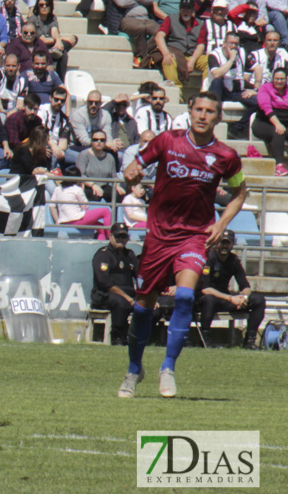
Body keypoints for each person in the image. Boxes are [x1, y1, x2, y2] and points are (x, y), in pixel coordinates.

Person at [118, 91, 247, 399]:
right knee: (142, 308)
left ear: (218, 117)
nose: (203, 115)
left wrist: (221, 223)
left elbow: (240, 193)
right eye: (198, 109)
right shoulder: (166, 141)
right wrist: (130, 172)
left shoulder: (226, 156)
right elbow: (134, 166)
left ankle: (168, 368)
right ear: (190, 110)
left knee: (186, 296)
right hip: (158, 236)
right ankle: (134, 369)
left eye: (210, 111)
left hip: (194, 235)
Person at [196, 230, 265, 349]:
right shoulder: (209, 258)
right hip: (206, 300)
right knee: (209, 299)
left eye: (228, 243)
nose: (225, 246)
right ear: (217, 243)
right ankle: (205, 341)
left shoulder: (233, 260)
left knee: (258, 299)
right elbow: (205, 289)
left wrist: (244, 298)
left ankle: (249, 341)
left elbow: (245, 285)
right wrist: (231, 298)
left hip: (225, 299)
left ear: (233, 245)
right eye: (222, 243)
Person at [91, 223, 138, 346]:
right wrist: (126, 297)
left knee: (151, 306)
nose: (120, 239)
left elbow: (140, 276)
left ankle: (142, 338)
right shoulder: (103, 254)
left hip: (128, 294)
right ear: (110, 236)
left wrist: (148, 296)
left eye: (123, 236)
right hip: (105, 294)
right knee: (122, 303)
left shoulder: (130, 255)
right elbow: (104, 282)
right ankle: (117, 337)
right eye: (117, 236)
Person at [253, 67, 288, 177]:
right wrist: (277, 124)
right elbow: (266, 108)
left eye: (282, 79)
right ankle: (278, 165)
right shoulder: (265, 88)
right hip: (264, 122)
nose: (279, 81)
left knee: (281, 129)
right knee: (278, 131)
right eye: (276, 79)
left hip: (284, 121)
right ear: (272, 79)